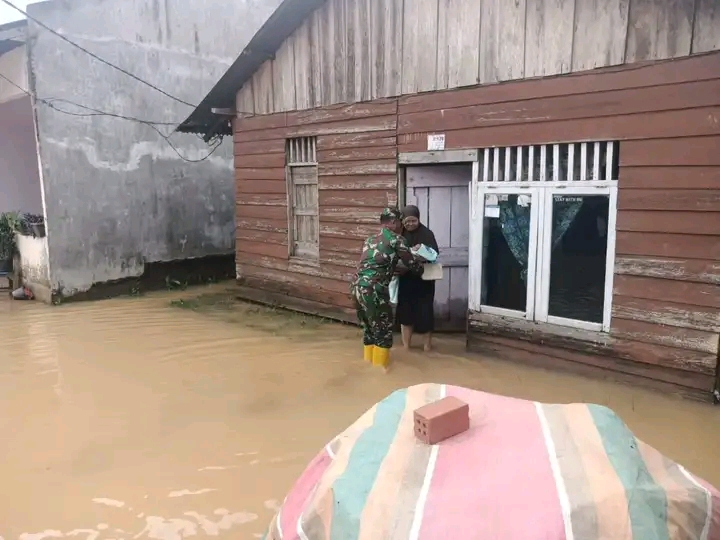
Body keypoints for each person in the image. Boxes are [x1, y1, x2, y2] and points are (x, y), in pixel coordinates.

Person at [350, 207, 425, 370]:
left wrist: (393, 269)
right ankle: (379, 374)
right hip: (374, 290)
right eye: (400, 222)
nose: (402, 226)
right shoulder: (397, 240)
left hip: (356, 287)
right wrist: (422, 266)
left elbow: (377, 263)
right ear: (393, 222)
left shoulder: (370, 240)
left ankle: (367, 368)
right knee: (383, 334)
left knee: (370, 331)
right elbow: (413, 265)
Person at [396, 205, 439, 352]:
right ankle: (406, 346)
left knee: (425, 313)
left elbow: (434, 254)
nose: (410, 224)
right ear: (402, 221)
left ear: (419, 219)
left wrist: (422, 250)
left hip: (424, 281)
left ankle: (427, 347)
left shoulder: (427, 234)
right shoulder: (399, 234)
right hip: (406, 279)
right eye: (407, 221)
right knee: (405, 313)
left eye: (413, 221)